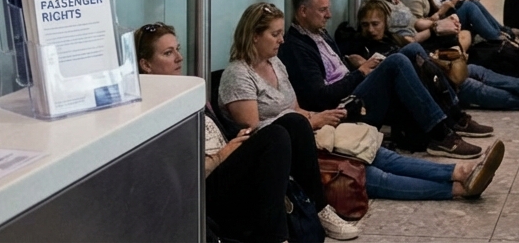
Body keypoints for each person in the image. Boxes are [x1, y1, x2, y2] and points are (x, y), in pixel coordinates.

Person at [219, 4, 506, 204]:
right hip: (289, 151)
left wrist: (317, 117)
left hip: (310, 132)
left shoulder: (275, 63)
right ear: (254, 35)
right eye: (274, 34)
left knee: (377, 153)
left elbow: (295, 108)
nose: (281, 40)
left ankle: (458, 171)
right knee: (367, 172)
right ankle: (456, 188)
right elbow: (255, 136)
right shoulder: (238, 75)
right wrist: (312, 120)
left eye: (282, 33)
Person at [134, 22, 358, 242]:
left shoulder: (187, 90)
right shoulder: (153, 109)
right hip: (202, 189)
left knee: (294, 123)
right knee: (276, 137)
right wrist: (224, 155)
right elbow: (178, 179)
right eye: (168, 53)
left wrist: (236, 145)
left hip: (225, 165)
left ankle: (318, 207)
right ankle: (275, 236)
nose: (179, 58)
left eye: (178, 49)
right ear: (146, 64)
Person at [279, 0, 490, 158]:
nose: (329, 15)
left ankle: (453, 116)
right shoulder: (296, 47)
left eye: (328, 8)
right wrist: (361, 72)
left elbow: (336, 68)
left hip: (351, 92)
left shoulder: (319, 33)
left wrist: (359, 66)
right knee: (397, 61)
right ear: (303, 12)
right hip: (342, 108)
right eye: (322, 10)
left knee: (413, 50)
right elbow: (320, 98)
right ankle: (439, 133)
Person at [345, 1, 519, 112]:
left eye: (375, 24)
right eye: (366, 25)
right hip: (416, 87)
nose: (371, 30)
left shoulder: (393, 39)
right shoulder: (360, 44)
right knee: (469, 86)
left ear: (385, 23)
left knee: (477, 71)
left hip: (427, 74)